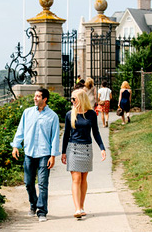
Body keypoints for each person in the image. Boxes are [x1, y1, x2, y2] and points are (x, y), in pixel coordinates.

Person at [11, 88, 61, 222]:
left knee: (43, 184)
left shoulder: (53, 116)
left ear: (45, 99)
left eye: (38, 96)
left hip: (45, 154)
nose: (35, 98)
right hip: (29, 152)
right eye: (35, 96)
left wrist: (53, 156)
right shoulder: (27, 113)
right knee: (28, 182)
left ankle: (42, 211)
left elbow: (55, 137)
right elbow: (20, 130)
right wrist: (16, 145)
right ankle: (33, 204)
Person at [61, 89, 106, 219]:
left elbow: (96, 133)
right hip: (73, 148)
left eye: (74, 99)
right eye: (71, 99)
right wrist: (63, 152)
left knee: (83, 179)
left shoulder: (91, 114)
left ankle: (81, 206)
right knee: (76, 179)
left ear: (81, 99)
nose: (72, 101)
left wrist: (102, 148)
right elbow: (66, 135)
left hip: (86, 148)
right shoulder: (70, 114)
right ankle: (77, 209)